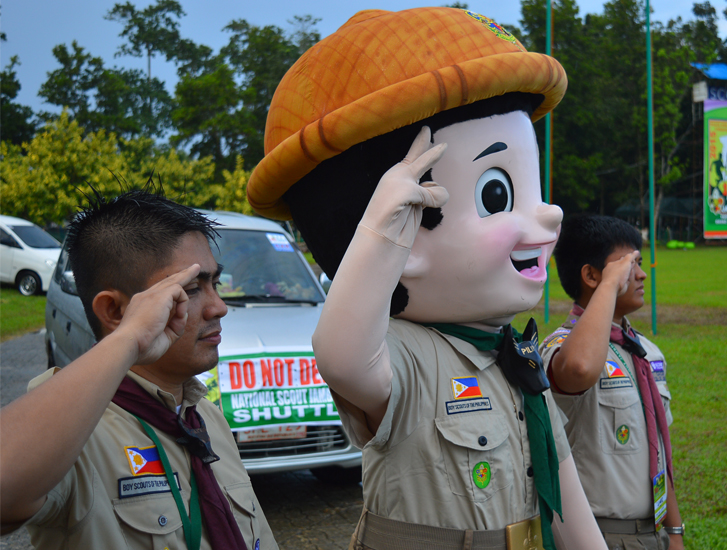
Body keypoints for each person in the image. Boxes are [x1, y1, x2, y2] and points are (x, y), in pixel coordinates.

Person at [246, 7, 605, 550]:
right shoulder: (405, 357)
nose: (549, 215)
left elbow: (563, 495)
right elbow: (342, 356)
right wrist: (380, 233)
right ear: (403, 231)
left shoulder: (514, 359)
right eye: (497, 195)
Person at [0, 190, 277, 550]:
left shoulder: (204, 417)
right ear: (115, 312)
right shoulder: (75, 435)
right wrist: (129, 339)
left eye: (216, 283)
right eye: (190, 289)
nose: (219, 307)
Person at [539, 215, 685, 550]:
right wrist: (609, 286)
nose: (641, 273)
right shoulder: (561, 348)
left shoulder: (646, 352)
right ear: (591, 275)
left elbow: (659, 451)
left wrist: (674, 532)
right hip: (597, 536)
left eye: (639, 262)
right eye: (626, 265)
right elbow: (578, 369)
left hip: (654, 533)